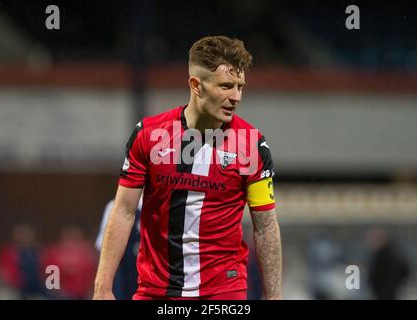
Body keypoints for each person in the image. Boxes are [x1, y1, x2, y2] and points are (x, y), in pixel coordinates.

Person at [94, 35, 282, 300]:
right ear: (196, 85)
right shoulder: (149, 135)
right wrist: (102, 287)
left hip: (223, 292)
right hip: (155, 291)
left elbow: (265, 226)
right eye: (226, 86)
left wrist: (274, 297)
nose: (236, 97)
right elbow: (123, 210)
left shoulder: (253, 145)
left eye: (240, 86)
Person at [95, 199, 142, 299]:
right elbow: (104, 254)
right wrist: (102, 289)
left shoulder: (169, 206)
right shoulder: (116, 207)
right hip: (123, 287)